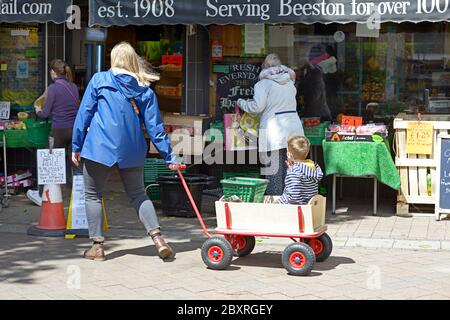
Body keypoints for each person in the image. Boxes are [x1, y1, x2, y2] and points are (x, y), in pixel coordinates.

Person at [72, 42, 179, 261]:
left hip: (98, 148)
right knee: (139, 194)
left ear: (113, 60)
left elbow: (84, 115)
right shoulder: (145, 89)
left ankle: (98, 247)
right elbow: (155, 128)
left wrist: (76, 145)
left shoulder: (99, 80)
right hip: (132, 148)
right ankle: (158, 239)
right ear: (133, 61)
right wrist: (170, 156)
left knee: (92, 195)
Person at [237, 53, 304, 196]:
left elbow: (256, 108)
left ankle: (275, 205)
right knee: (290, 168)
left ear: (264, 68)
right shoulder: (289, 83)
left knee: (273, 171)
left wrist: (241, 102)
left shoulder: (262, 84)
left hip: (273, 130)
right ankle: (291, 201)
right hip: (293, 128)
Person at [26, 59, 79, 206]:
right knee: (74, 164)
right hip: (73, 130)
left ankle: (43, 194)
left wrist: (37, 110)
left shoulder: (53, 88)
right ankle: (79, 196)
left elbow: (45, 113)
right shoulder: (73, 87)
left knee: (50, 163)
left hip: (59, 131)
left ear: (53, 72)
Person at [278, 136, 323, 205]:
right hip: (309, 204)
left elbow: (294, 195)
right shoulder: (313, 165)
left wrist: (291, 171)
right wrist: (292, 168)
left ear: (289, 155)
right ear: (307, 152)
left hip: (295, 207)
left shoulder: (294, 171)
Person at [297, 57, 332, 122]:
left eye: (299, 69)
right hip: (317, 111)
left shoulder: (314, 75)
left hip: (316, 113)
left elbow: (312, 95)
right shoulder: (314, 74)